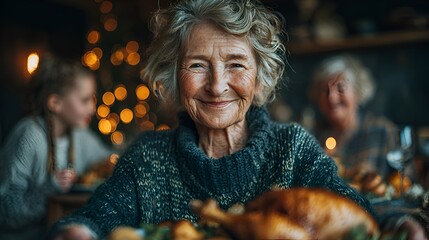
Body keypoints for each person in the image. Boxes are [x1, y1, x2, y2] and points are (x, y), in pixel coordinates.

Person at [49, 0, 382, 239]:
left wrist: (397, 222)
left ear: (260, 77)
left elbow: (355, 213)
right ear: (173, 78)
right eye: (197, 65)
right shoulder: (148, 158)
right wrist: (78, 231)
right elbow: (93, 218)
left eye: (236, 64)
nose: (217, 85)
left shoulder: (292, 148)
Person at [308, 54, 427, 239]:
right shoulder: (312, 137)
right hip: (327, 219)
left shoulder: (381, 131)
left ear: (358, 92)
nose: (331, 97)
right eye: (324, 91)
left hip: (378, 215)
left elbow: (407, 185)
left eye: (340, 88)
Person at [0, 55, 114, 240]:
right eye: (85, 100)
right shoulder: (29, 136)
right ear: (55, 103)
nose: (93, 108)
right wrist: (48, 189)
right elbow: (5, 212)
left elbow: (108, 157)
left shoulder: (78, 135)